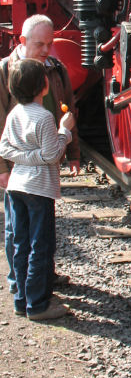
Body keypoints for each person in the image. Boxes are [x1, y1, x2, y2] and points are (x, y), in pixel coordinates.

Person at [0, 15, 80, 294]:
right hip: (20, 171)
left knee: (42, 231)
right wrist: (2, 168)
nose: (47, 50)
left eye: (50, 43)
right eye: (40, 44)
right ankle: (20, 284)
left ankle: (43, 276)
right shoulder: (4, 70)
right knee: (18, 232)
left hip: (43, 173)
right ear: (22, 42)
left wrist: (74, 154)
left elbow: (68, 107)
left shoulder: (55, 69)